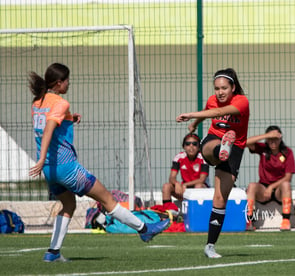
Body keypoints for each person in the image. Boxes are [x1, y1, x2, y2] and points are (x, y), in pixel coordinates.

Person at [28, 63, 170, 262]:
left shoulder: (38, 102)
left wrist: (69, 119)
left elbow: (49, 123)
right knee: (108, 200)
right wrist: (42, 157)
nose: (69, 84)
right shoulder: (61, 103)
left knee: (68, 205)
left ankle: (52, 252)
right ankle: (145, 229)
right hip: (67, 167)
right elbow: (49, 128)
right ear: (59, 83)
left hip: (51, 171)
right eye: (67, 80)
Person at [176, 68, 249, 258]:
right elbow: (209, 111)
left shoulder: (242, 101)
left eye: (224, 88)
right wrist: (195, 124)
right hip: (214, 139)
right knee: (211, 147)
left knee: (220, 198)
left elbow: (217, 111)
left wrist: (192, 115)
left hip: (236, 149)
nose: (220, 92)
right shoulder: (212, 99)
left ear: (233, 87)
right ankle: (220, 149)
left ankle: (210, 246)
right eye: (217, 88)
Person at [245, 125, 295, 231]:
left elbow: (288, 177)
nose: (273, 142)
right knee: (252, 186)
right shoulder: (263, 149)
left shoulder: (287, 152)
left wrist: (271, 187)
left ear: (280, 139)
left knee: (286, 184)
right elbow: (246, 142)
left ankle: (286, 221)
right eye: (270, 139)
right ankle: (249, 220)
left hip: (278, 190)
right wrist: (266, 135)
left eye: (275, 139)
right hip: (263, 188)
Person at [162, 133, 209, 205]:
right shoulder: (179, 157)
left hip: (200, 190)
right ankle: (168, 211)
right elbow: (172, 177)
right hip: (184, 190)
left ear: (199, 146)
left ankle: (196, 211)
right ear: (184, 146)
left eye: (194, 144)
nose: (191, 146)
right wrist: (176, 183)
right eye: (188, 144)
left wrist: (185, 184)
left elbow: (202, 180)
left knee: (198, 186)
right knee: (166, 186)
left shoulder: (203, 158)